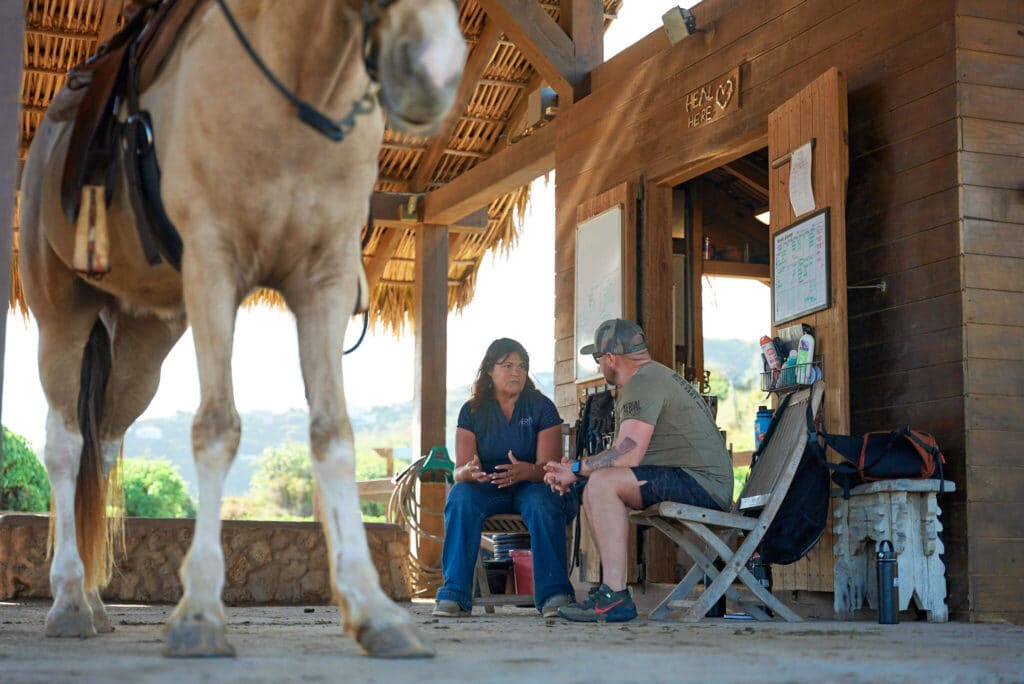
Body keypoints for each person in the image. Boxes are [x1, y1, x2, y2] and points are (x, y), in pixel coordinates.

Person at [544, 319, 733, 622]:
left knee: (601, 484)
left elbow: (627, 453)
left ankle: (615, 596)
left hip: (703, 486)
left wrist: (577, 468)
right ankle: (611, 590)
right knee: (595, 483)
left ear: (611, 359)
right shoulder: (652, 376)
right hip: (699, 480)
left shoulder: (641, 382)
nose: (598, 367)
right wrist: (579, 471)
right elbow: (624, 450)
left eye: (597, 360)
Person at [433, 338, 577, 618]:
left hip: (532, 486)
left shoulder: (541, 407)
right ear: (489, 369)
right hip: (488, 488)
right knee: (460, 496)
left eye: (522, 366)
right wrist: (470, 473)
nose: (516, 372)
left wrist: (528, 471)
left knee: (544, 499)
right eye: (508, 365)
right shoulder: (472, 411)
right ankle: (454, 593)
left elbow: (549, 469)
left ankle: (555, 594)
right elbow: (459, 471)